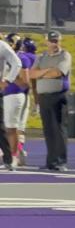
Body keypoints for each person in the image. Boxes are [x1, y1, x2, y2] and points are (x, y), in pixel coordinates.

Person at [31, 31, 70, 171]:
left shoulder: (65, 55)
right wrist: (47, 71)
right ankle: (51, 162)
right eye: (52, 41)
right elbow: (32, 74)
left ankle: (61, 162)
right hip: (44, 97)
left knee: (59, 130)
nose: (54, 43)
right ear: (46, 42)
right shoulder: (41, 57)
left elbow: (57, 73)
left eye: (56, 41)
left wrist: (41, 73)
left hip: (58, 96)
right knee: (48, 131)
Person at [3, 35, 35, 168]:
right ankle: (16, 155)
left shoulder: (21, 58)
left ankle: (14, 157)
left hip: (15, 95)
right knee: (10, 128)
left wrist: (8, 77)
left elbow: (25, 83)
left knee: (12, 129)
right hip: (7, 95)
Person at [0, 34, 22, 170]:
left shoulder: (2, 46)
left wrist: (7, 80)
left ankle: (8, 159)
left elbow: (17, 63)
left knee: (0, 128)